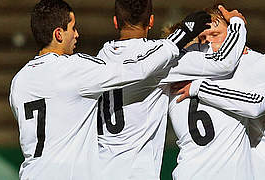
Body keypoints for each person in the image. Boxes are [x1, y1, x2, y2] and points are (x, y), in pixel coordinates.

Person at [8, 0, 201, 179]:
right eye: (72, 28)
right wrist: (181, 35)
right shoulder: (75, 68)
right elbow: (134, 70)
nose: (77, 34)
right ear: (58, 34)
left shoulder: (19, 81)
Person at [96, 1, 247, 179]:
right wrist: (237, 23)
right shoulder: (159, 62)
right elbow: (223, 63)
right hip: (137, 172)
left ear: (115, 22)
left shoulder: (99, 59)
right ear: (151, 21)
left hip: (99, 168)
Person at [170, 4, 265, 180]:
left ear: (233, 36)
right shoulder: (201, 68)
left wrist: (198, 88)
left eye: (216, 35)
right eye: (204, 38)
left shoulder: (252, 64)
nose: (210, 42)